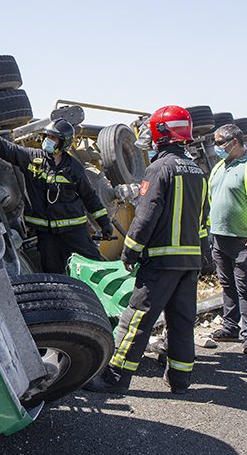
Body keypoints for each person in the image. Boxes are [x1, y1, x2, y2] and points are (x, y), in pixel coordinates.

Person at [85, 105, 210, 394]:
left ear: (161, 135)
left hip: (162, 262)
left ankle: (115, 378)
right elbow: (204, 218)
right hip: (189, 262)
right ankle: (180, 380)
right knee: (181, 322)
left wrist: (129, 252)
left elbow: (146, 215)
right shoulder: (198, 172)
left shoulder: (159, 169)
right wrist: (200, 255)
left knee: (136, 319)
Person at [0, 117, 112, 273]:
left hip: (74, 231)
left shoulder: (74, 168)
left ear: (63, 143)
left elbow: (90, 197)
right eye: (47, 136)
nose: (48, 140)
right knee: (53, 272)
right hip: (46, 235)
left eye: (53, 138)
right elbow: (6, 148)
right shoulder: (32, 158)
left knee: (94, 267)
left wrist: (104, 223)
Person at [206, 123, 247, 354]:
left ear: (234, 142)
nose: (216, 146)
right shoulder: (219, 166)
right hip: (219, 236)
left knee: (245, 286)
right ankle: (230, 327)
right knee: (227, 284)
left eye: (219, 142)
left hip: (243, 239)